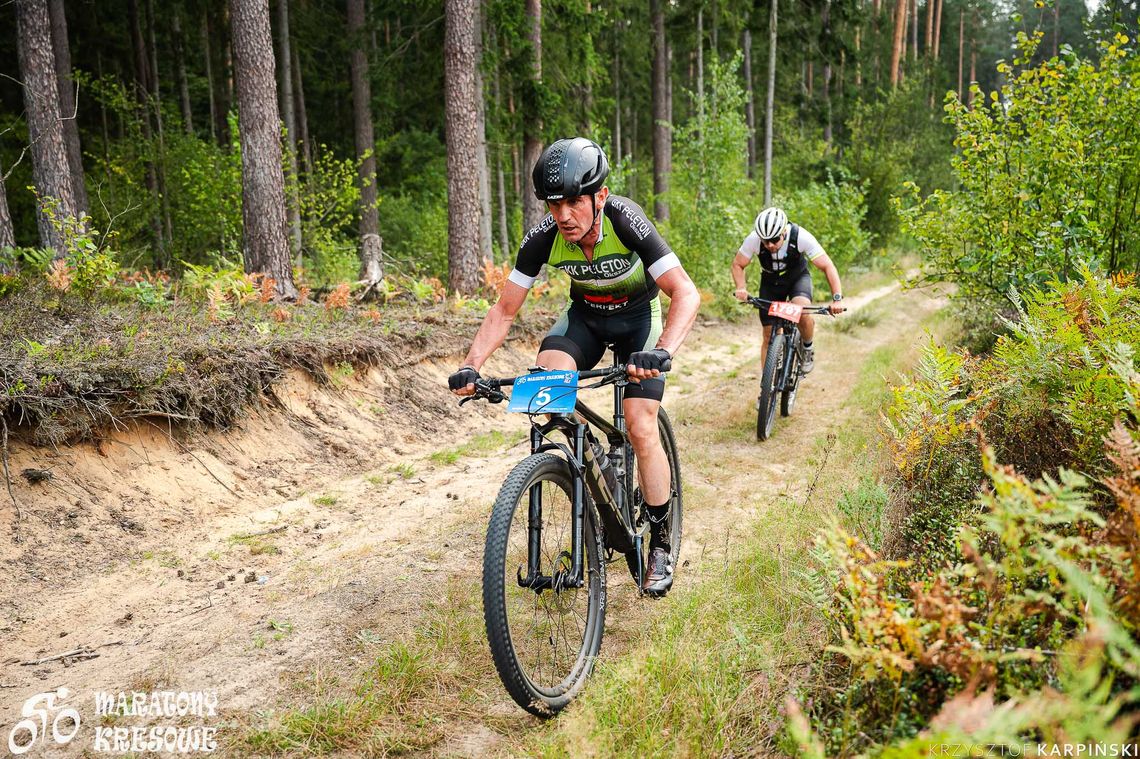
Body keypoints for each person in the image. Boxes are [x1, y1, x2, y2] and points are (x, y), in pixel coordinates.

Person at [448, 137, 701, 596]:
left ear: (599, 197)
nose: (563, 215)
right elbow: (504, 311)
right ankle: (592, 477)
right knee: (546, 390)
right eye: (554, 203)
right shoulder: (544, 236)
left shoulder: (627, 221)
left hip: (638, 323)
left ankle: (661, 541)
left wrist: (662, 351)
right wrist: (471, 365)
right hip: (584, 320)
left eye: (574, 202)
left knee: (640, 424)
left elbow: (685, 292)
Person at [730, 207, 844, 376]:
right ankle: (766, 389)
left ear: (783, 231)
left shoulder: (801, 236)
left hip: (797, 278)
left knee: (802, 311)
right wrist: (741, 287)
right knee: (768, 335)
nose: (769, 245)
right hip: (770, 281)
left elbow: (827, 266)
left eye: (774, 240)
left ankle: (807, 347)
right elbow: (738, 264)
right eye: (765, 241)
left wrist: (837, 298)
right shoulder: (753, 239)